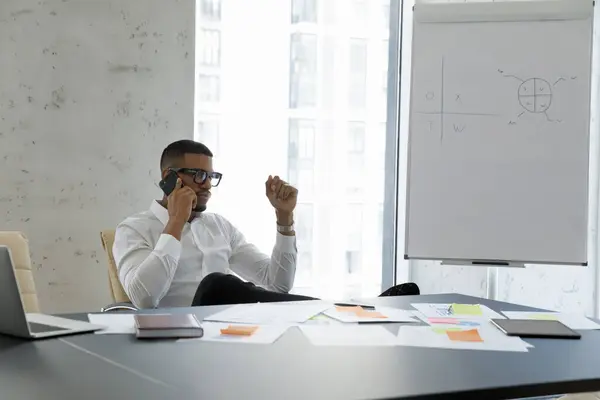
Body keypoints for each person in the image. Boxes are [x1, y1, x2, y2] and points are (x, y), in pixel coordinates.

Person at [113, 139, 419, 309]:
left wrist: (284, 219)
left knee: (236, 292)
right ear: (169, 177)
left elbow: (276, 285)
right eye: (199, 175)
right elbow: (143, 296)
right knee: (217, 285)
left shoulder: (219, 227)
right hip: (176, 340)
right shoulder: (134, 230)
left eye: (212, 176)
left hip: (230, 337)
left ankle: (347, 313)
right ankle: (347, 312)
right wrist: (176, 221)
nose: (207, 184)